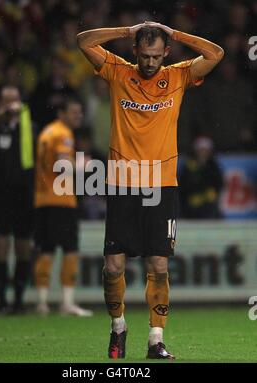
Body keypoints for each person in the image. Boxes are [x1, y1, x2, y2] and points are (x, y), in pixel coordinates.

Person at [77, 21, 224, 359]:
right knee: (113, 267)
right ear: (136, 52)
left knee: (158, 266)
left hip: (162, 184)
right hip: (122, 182)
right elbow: (83, 41)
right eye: (144, 56)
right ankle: (118, 327)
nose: (149, 63)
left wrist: (178, 33)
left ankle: (155, 341)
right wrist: (128, 29)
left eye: (156, 56)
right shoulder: (117, 71)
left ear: (166, 53)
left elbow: (216, 54)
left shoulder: (178, 75)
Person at [34, 98, 93, 317]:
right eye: (74, 111)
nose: (78, 115)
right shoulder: (63, 134)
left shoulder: (47, 132)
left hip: (42, 199)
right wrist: (83, 164)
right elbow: (62, 166)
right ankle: (67, 303)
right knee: (70, 250)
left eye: (80, 111)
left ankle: (42, 302)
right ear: (62, 113)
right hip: (62, 200)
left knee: (46, 249)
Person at [0, 86, 35, 314]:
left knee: (23, 248)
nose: (13, 104)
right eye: (7, 100)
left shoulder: (29, 127)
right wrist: (5, 113)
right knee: (1, 247)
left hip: (23, 194)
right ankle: (1, 300)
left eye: (16, 100)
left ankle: (19, 300)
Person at [179, 136, 223, 219]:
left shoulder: (213, 166)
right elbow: (183, 186)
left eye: (206, 150)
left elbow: (218, 183)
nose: (203, 153)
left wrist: (209, 194)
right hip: (190, 206)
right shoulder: (188, 166)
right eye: (201, 150)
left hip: (209, 206)